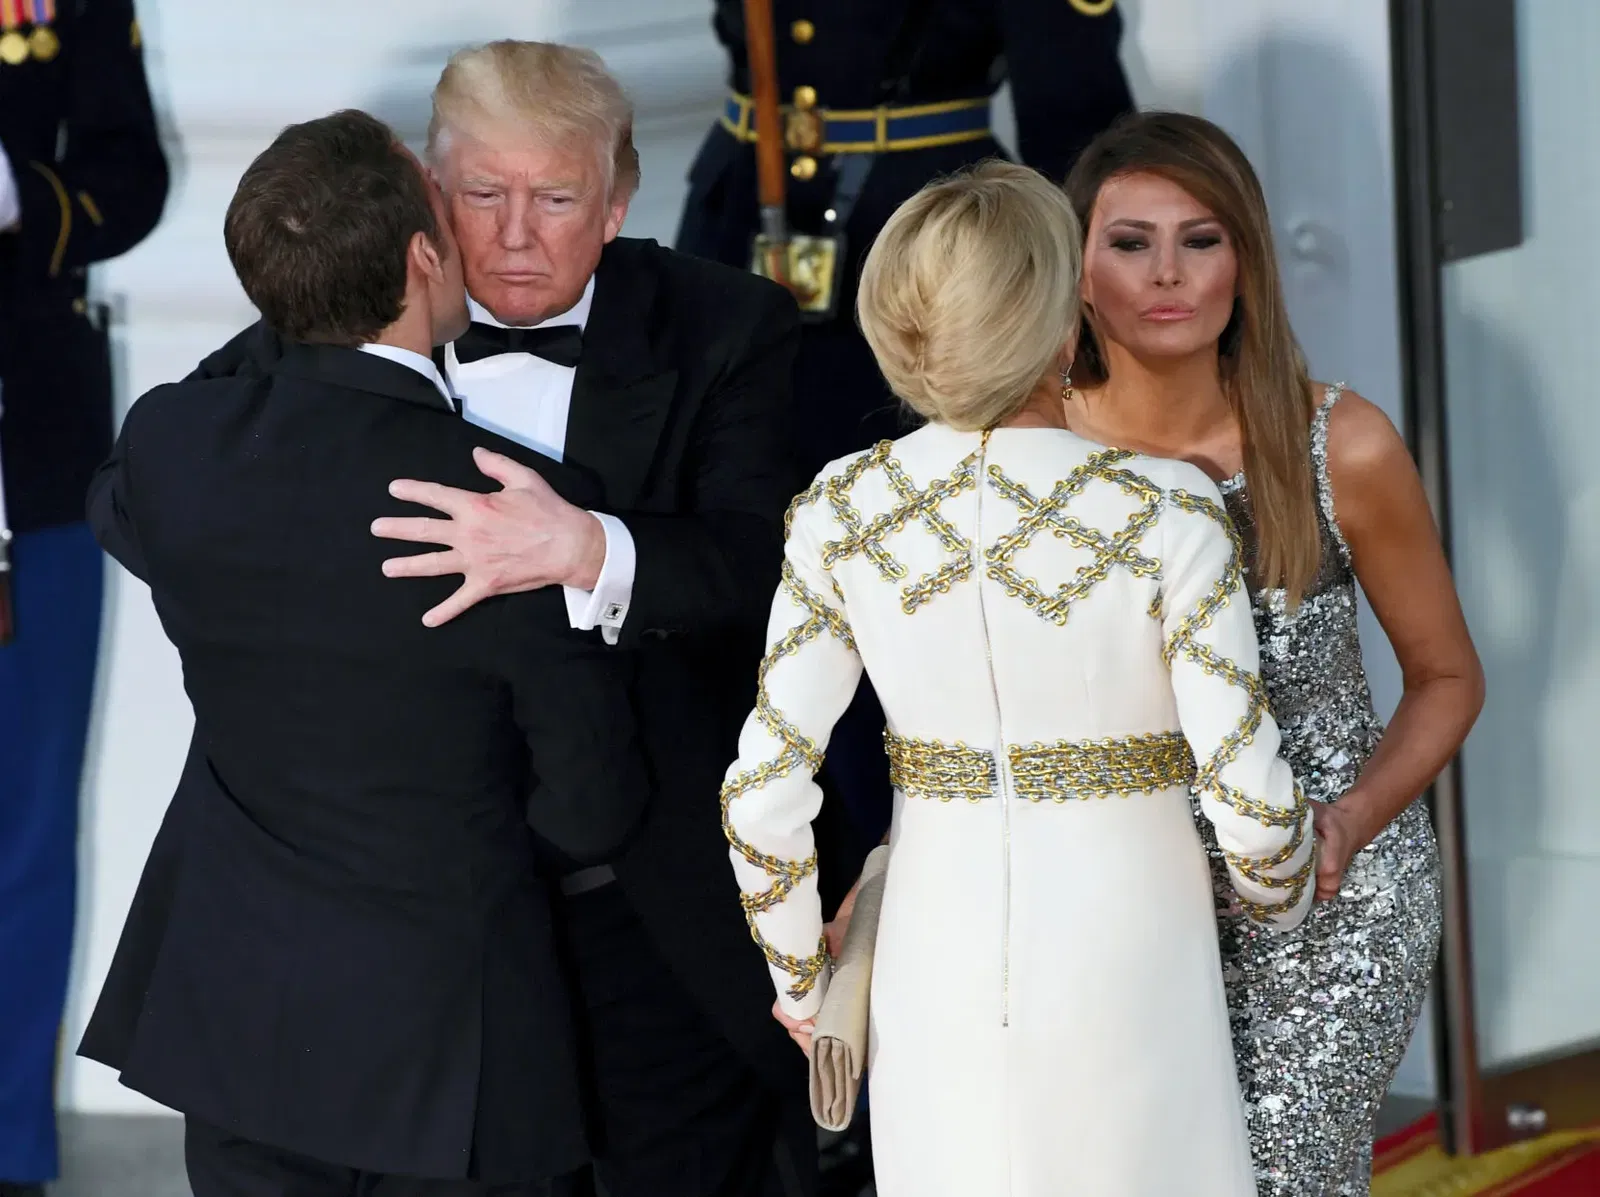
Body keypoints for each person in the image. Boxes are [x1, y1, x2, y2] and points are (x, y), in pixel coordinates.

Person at [76, 109, 651, 1197]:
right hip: (448, 1049)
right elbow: (591, 804)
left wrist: (303, 305)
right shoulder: (509, 507)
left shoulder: (173, 448)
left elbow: (127, 500)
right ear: (425, 255)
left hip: (237, 1026)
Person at [721, 161, 1316, 1196]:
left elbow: (761, 796)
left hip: (932, 943)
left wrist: (805, 984)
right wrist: (1282, 899)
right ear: (1061, 320)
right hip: (1133, 938)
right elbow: (1254, 812)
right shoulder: (1167, 507)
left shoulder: (840, 508)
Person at [364, 42, 814, 1197]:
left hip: (651, 897)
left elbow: (769, 566)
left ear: (616, 204)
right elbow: (170, 470)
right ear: (430, 191)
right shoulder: (356, 315)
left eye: (556, 200)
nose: (515, 235)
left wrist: (588, 550)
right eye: (483, 194)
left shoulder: (728, 325)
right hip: (427, 908)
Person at [1057, 112, 1484, 1194]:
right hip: (1118, 896)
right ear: (1077, 272)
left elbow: (1447, 678)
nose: (1168, 273)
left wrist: (1350, 822)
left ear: (1244, 262)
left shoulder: (1341, 444)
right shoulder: (1031, 454)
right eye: (1130, 242)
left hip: (1329, 901)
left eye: (1201, 240)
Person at [0, 3, 167, 1193]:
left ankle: (6, 1140)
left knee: (22, 822)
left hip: (27, 449)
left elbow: (131, 173)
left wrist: (17, 194)